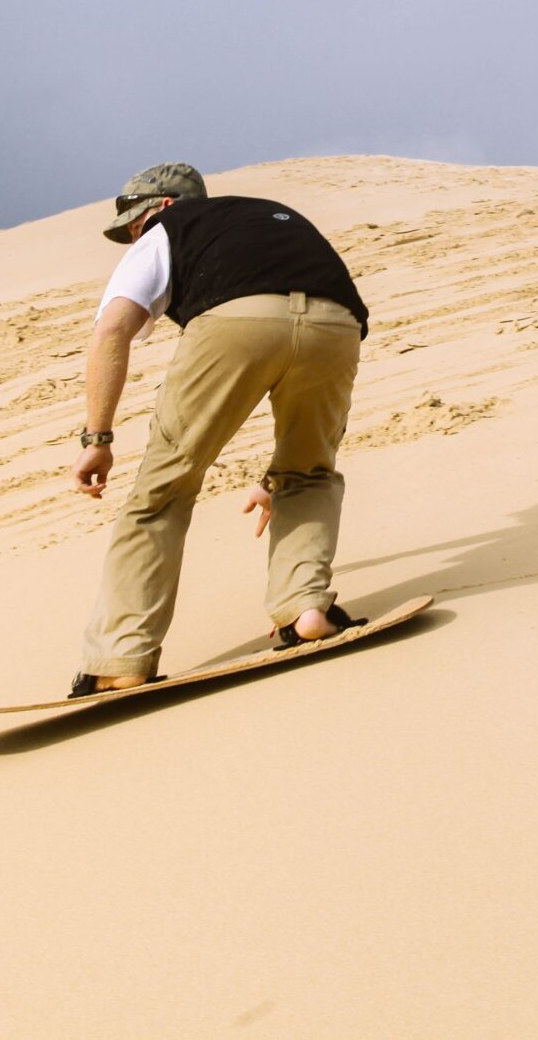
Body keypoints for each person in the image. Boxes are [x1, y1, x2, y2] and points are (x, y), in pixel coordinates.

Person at [66, 163, 372, 697]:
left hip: (236, 322)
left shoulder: (166, 229)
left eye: (133, 223)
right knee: (310, 473)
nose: (132, 236)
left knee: (161, 493)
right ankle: (306, 611)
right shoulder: (272, 217)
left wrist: (99, 439)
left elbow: (113, 330)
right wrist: (276, 472)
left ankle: (121, 659)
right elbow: (294, 321)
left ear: (160, 206)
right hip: (337, 322)